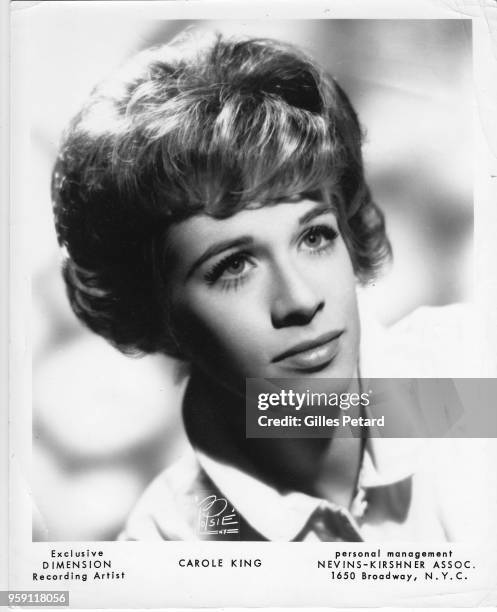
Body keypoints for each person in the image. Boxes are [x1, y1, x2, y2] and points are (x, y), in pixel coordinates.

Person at [51, 33, 491, 542]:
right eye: (234, 265)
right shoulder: (170, 540)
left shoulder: (471, 376)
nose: (301, 301)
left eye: (315, 236)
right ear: (153, 310)